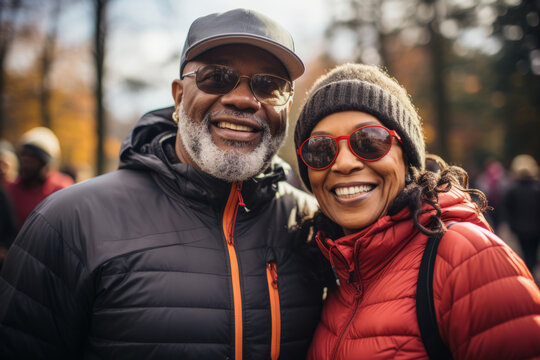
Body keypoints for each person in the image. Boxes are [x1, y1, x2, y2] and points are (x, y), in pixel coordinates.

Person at [0, 9, 325, 360]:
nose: (243, 99)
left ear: (288, 104)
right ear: (178, 95)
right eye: (216, 77)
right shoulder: (70, 221)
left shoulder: (312, 224)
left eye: (269, 84)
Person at [293, 63, 540, 359]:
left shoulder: (467, 258)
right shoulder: (330, 273)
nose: (344, 164)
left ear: (407, 157)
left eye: (369, 141)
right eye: (320, 149)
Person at [4, 127, 74, 229]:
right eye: (23, 156)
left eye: (32, 158)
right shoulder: (10, 191)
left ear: (47, 163)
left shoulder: (62, 189)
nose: (26, 164)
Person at [503, 154, 540, 278]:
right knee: (533, 252)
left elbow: (508, 209)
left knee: (525, 251)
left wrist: (512, 225)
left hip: (520, 228)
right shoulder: (537, 188)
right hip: (536, 228)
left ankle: (529, 273)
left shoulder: (512, 190)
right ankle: (532, 271)